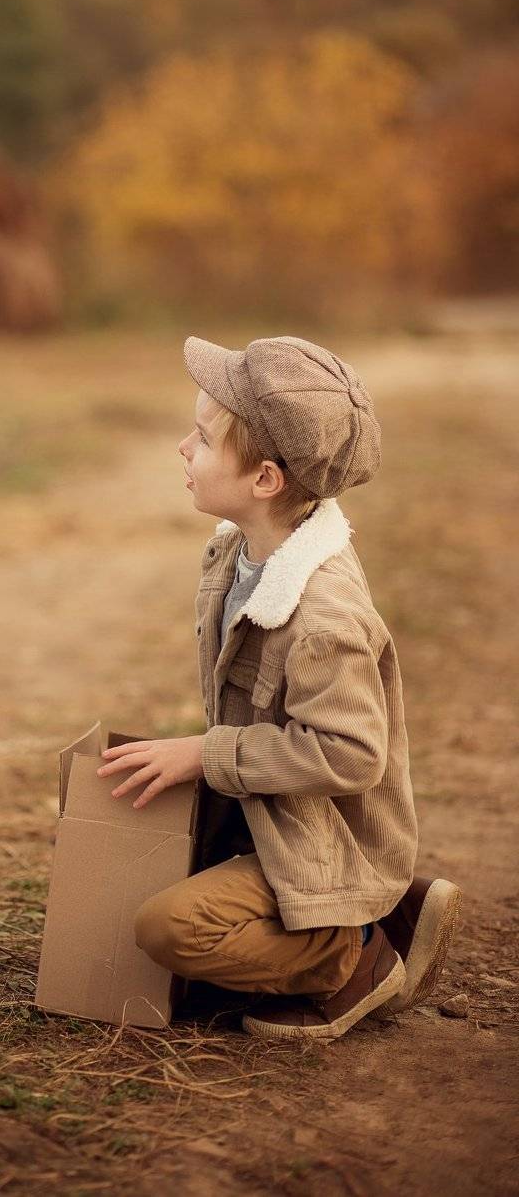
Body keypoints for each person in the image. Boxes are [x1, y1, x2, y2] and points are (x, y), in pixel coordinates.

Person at [98, 335, 461, 1041]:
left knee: (165, 932)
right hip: (267, 815)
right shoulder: (241, 552)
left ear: (265, 480)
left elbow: (354, 754)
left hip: (314, 835)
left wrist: (208, 755)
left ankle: (351, 955)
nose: (182, 448)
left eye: (202, 438)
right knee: (119, 878)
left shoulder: (324, 615)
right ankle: (380, 910)